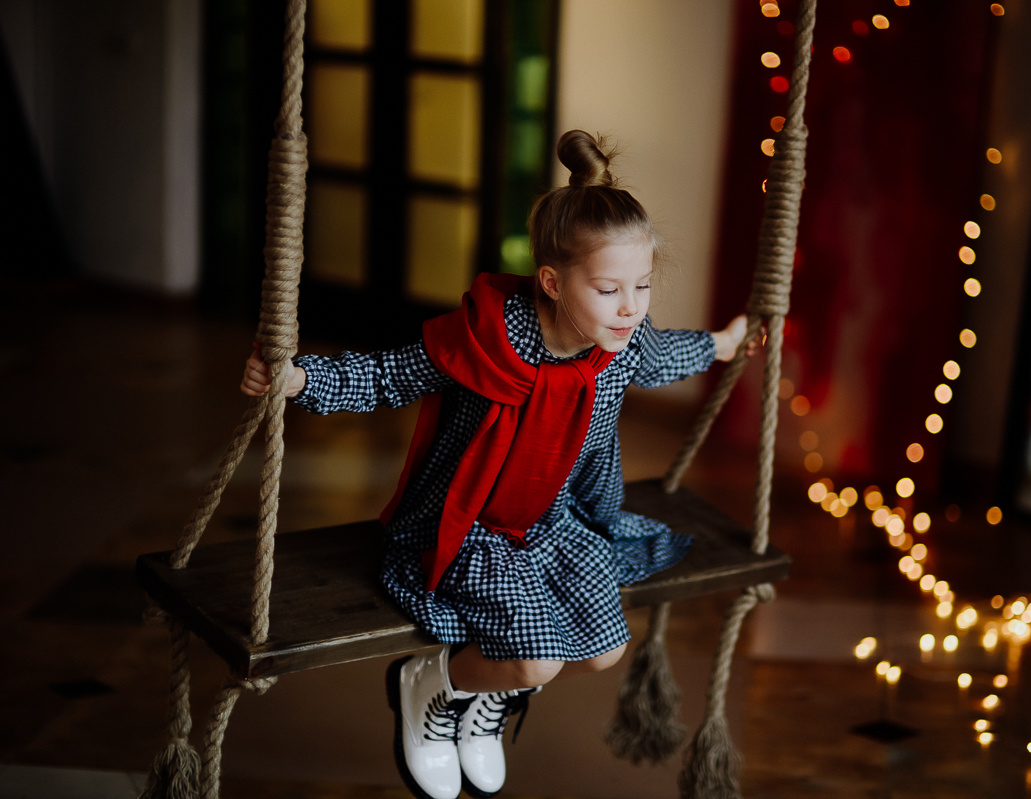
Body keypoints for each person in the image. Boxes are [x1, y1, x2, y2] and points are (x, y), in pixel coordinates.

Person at [241, 130, 748, 799]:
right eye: (609, 288)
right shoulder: (485, 343)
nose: (631, 307)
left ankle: (483, 696)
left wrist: (720, 344)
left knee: (603, 648)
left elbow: (661, 354)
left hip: (552, 522)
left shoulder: (621, 342)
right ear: (552, 282)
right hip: (469, 526)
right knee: (536, 660)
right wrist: (300, 380)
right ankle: (429, 685)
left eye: (643, 286)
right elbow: (389, 375)